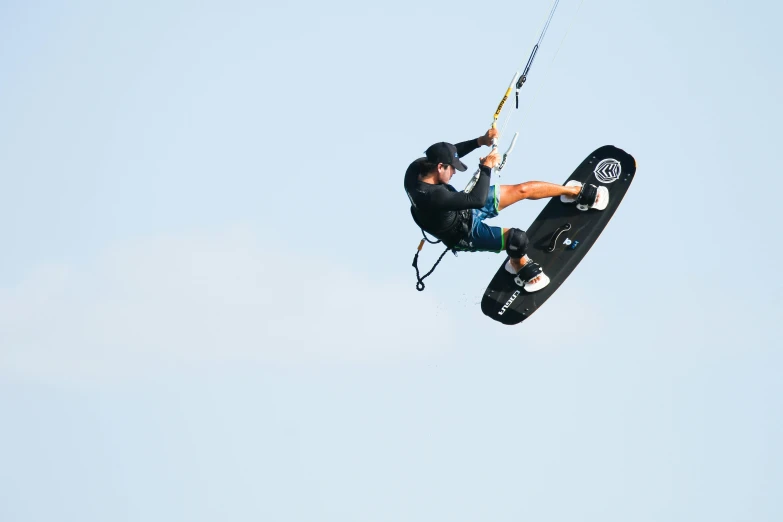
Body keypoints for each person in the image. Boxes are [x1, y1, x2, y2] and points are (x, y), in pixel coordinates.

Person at [404, 128, 608, 292]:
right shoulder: (433, 196)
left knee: (522, 189)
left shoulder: (417, 168)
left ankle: (573, 191)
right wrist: (487, 168)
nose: (456, 171)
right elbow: (476, 199)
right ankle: (516, 264)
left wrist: (480, 141)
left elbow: (451, 151)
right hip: (463, 233)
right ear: (440, 167)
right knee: (517, 239)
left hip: (461, 207)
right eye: (453, 168)